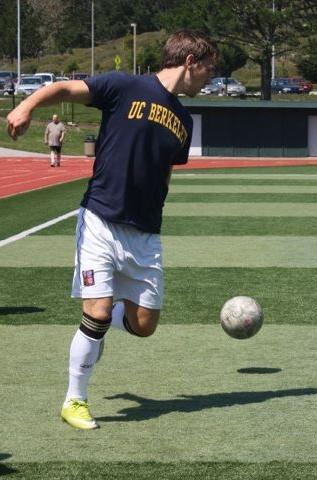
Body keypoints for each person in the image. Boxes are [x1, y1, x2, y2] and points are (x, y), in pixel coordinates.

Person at [6, 30, 217, 430]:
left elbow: (166, 174)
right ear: (190, 61)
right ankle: (75, 400)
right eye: (208, 69)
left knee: (144, 326)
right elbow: (65, 87)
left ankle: (102, 323)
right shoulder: (125, 86)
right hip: (101, 219)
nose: (209, 78)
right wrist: (26, 107)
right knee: (97, 312)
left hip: (145, 233)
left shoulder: (184, 120)